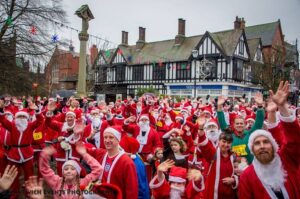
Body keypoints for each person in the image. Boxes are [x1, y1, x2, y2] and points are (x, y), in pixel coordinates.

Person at [238, 81, 300, 199]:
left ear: (274, 146)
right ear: (252, 149)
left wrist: (282, 107)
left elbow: (294, 140)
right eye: (257, 143)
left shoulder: (287, 161)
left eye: (266, 142)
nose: (262, 146)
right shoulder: (247, 176)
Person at [0, 100, 44, 199]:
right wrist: (1, 110)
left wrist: (37, 111)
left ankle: (29, 194)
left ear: (27, 118)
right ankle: (14, 194)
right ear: (15, 118)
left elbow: (40, 121)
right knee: (13, 176)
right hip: (14, 154)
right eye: (19, 116)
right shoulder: (12, 125)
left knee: (29, 176)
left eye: (23, 116)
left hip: (27, 153)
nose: (21, 118)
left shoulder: (30, 125)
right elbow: (2, 120)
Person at [87, 125, 139, 199]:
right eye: (105, 137)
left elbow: (132, 190)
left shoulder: (127, 162)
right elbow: (84, 149)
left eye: (111, 137)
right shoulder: (102, 154)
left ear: (118, 140)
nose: (107, 140)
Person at [197, 116, 238, 199]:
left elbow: (240, 173)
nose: (226, 145)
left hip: (229, 195)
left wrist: (234, 180)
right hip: (213, 194)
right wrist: (201, 128)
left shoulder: (234, 156)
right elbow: (205, 145)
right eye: (224, 141)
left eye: (229, 142)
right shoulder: (214, 154)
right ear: (219, 141)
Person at [217, 93, 265, 163]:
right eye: (237, 123)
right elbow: (222, 123)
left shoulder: (250, 134)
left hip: (249, 167)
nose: (239, 125)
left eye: (241, 123)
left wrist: (260, 106)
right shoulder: (230, 134)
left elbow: (258, 123)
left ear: (245, 125)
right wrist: (219, 106)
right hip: (233, 167)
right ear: (233, 125)